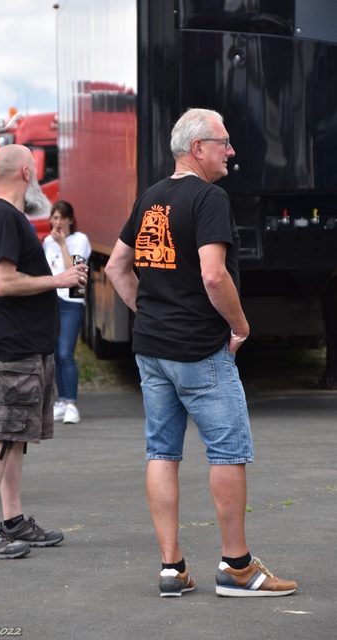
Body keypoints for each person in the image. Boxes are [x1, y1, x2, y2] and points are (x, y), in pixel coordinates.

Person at [105, 108, 298, 597]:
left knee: (162, 452)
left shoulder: (151, 199)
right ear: (198, 148)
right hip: (199, 351)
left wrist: (146, 310)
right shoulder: (209, 198)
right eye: (224, 143)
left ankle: (172, 569)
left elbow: (116, 267)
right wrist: (240, 325)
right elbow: (214, 275)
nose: (230, 151)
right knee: (228, 453)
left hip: (151, 349)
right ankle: (237, 568)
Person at [0, 144, 88, 559]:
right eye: (34, 170)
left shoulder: (9, 217)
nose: (37, 177)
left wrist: (59, 271)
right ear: (24, 172)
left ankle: (13, 520)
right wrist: (59, 280)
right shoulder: (2, 216)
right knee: (1, 435)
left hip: (27, 344)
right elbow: (3, 282)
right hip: (13, 345)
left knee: (15, 437)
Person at [43, 200, 91, 424]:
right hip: (51, 301)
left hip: (72, 300)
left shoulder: (80, 240)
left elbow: (75, 272)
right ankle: (61, 401)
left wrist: (62, 244)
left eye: (62, 217)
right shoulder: (46, 242)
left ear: (71, 219)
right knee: (53, 355)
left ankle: (72, 403)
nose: (58, 221)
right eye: (54, 217)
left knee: (65, 352)